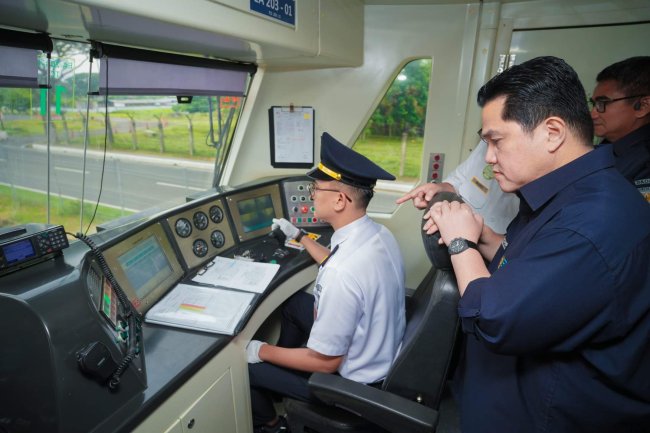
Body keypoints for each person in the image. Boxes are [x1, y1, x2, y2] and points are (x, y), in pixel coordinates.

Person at [425, 56, 650, 432]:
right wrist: (485, 238)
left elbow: (494, 318)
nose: (490, 158)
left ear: (552, 132)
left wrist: (460, 244)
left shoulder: (590, 223)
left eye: (496, 142)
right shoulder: (570, 195)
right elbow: (531, 269)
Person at [246, 132, 406, 433]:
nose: (311, 194)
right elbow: (336, 260)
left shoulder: (341, 275)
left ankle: (271, 424)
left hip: (351, 385)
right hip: (380, 349)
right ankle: (282, 374)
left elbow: (325, 363)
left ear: (340, 200)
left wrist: (258, 350)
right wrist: (300, 237)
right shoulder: (377, 235)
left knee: (244, 364)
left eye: (315, 188)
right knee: (293, 305)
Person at [395, 140, 519, 234]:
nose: (488, 158)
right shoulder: (487, 143)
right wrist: (439, 188)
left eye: (498, 140)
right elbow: (458, 180)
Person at [590, 56, 650, 201]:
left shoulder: (645, 164)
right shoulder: (607, 148)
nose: (593, 114)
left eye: (603, 103)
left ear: (642, 106)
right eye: (594, 104)